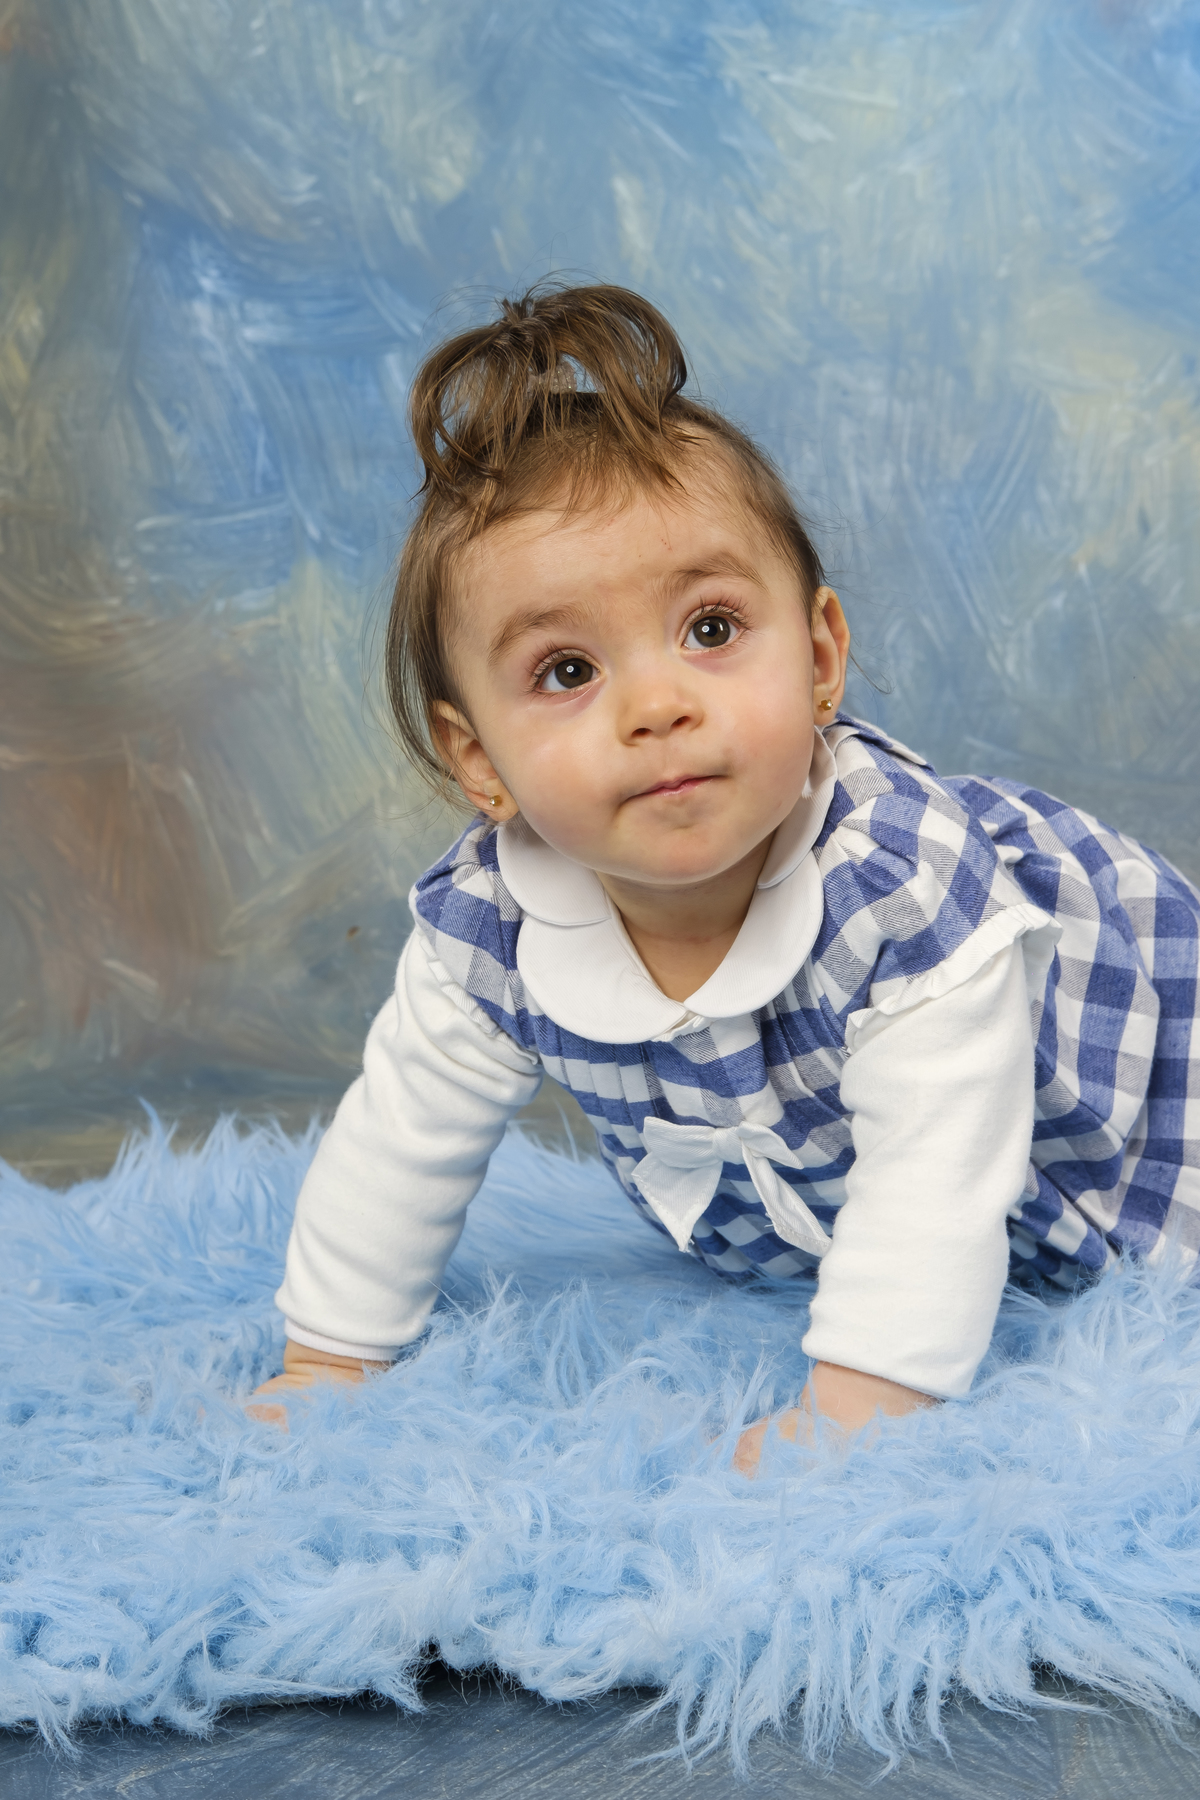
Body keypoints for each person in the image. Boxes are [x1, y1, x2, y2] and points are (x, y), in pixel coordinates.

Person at [249, 282, 1200, 1472]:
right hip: (925, 1183)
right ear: (477, 760)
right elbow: (401, 1141)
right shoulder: (487, 927)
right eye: (565, 670)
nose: (657, 707)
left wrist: (854, 1413)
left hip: (1149, 1093)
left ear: (817, 659)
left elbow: (934, 1180)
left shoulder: (900, 893)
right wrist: (328, 1362)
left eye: (709, 629)